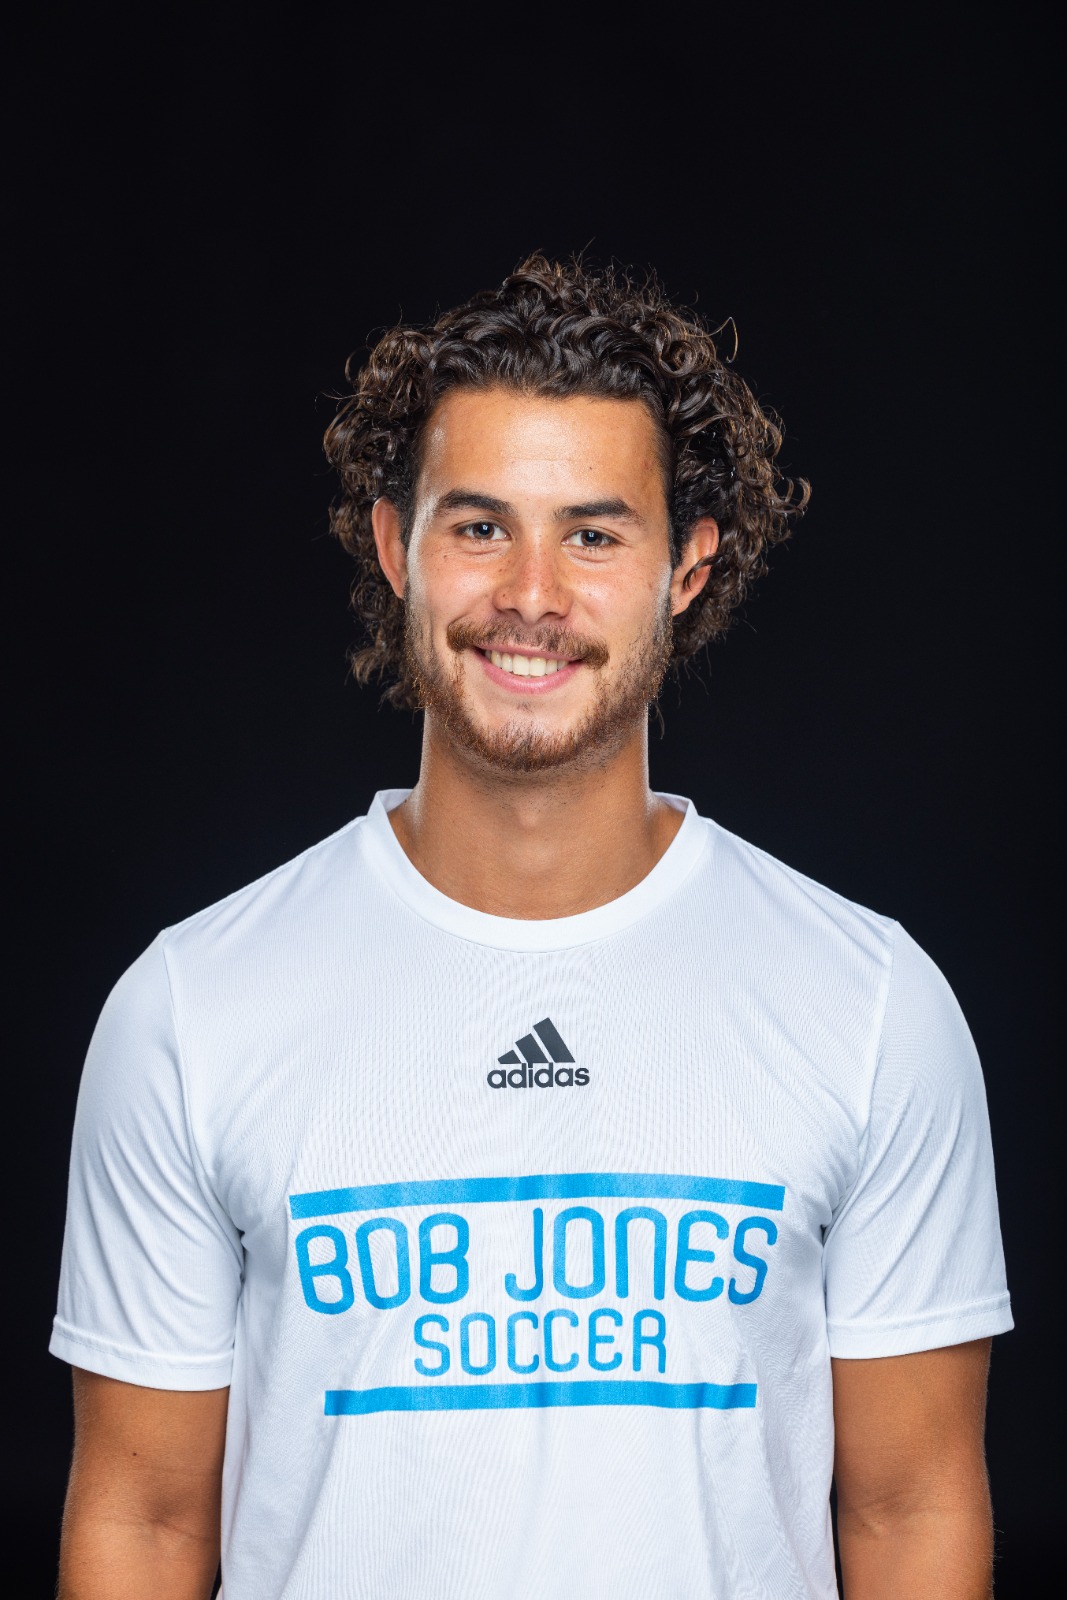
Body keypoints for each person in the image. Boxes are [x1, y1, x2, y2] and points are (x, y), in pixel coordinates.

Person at [52, 255, 1012, 1600]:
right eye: (481, 527)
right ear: (397, 546)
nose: (534, 595)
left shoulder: (870, 1005)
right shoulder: (191, 1007)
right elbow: (143, 1521)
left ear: (689, 564)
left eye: (597, 534)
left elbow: (911, 1512)